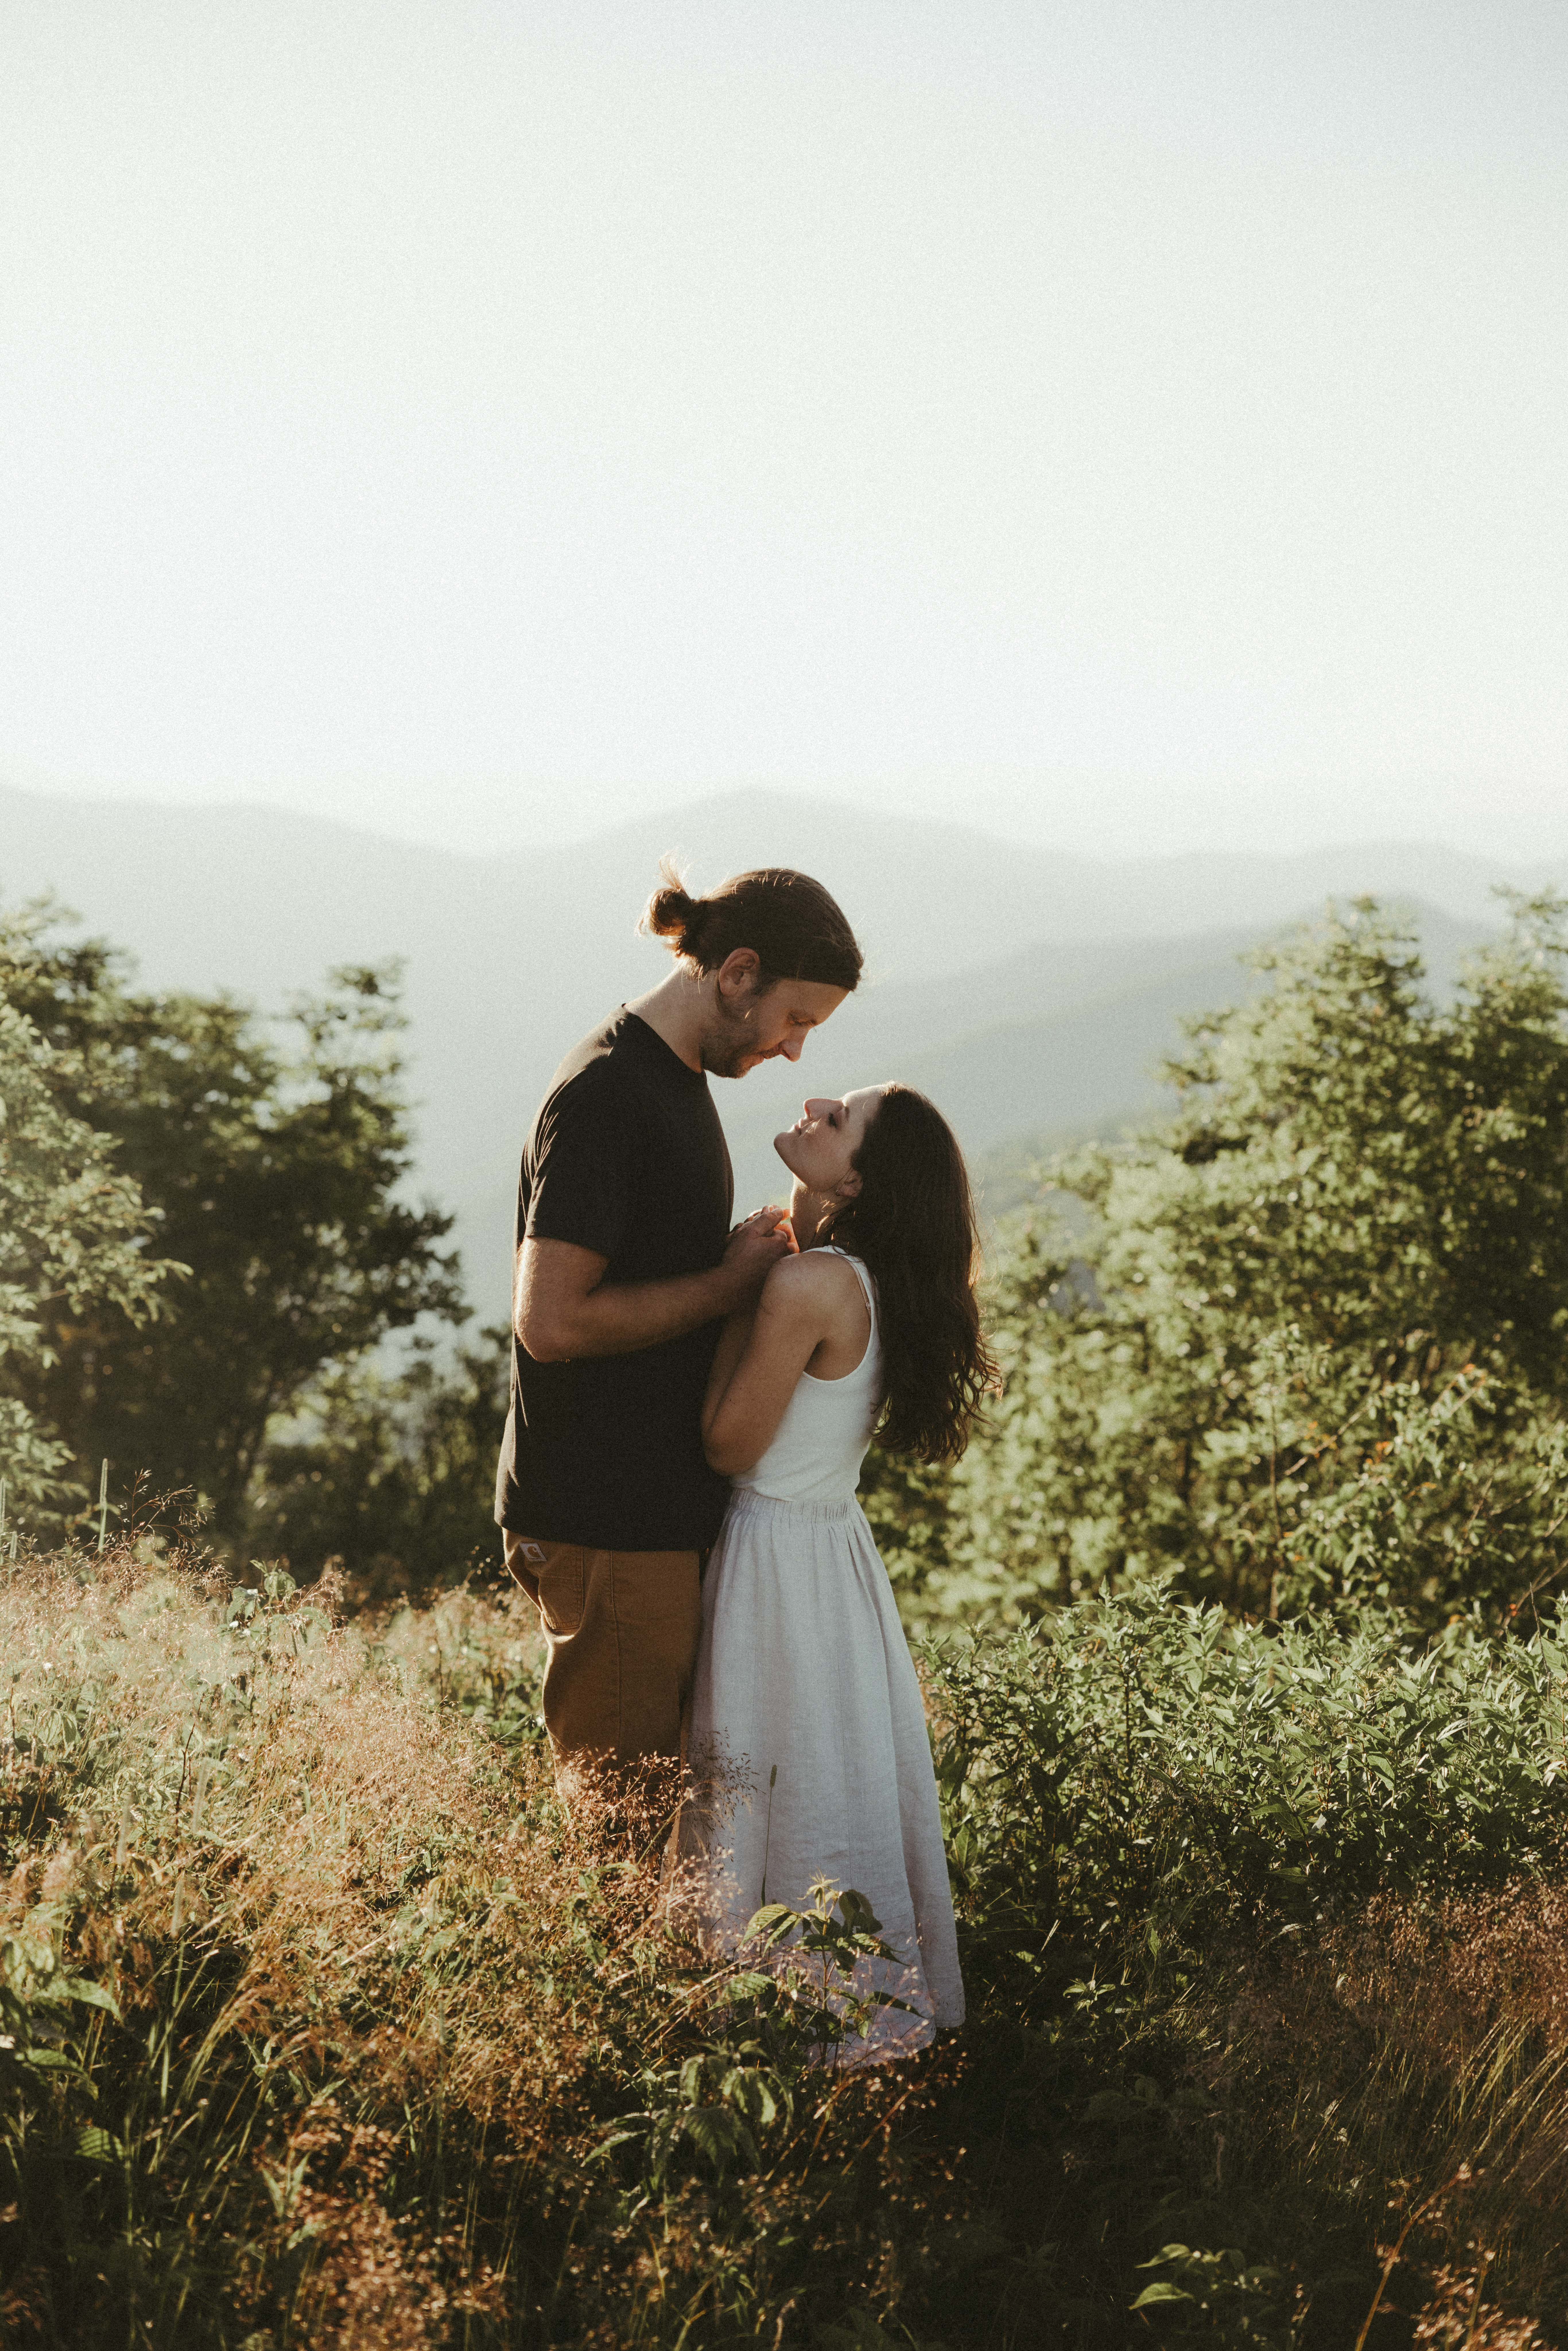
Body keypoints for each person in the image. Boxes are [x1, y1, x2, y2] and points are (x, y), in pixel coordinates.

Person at [496, 862, 863, 1806]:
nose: (793, 1051)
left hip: (645, 1515)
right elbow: (551, 1322)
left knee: (659, 1817)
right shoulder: (610, 1094)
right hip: (608, 1516)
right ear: (737, 972)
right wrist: (726, 1283)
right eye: (797, 1019)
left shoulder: (670, 1082)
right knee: (624, 1828)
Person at [678, 1083, 996, 2062]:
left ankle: (763, 2027)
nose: (816, 1100)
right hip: (833, 1558)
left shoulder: (808, 1283)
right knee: (825, 1771)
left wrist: (737, 1292)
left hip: (775, 1554)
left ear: (857, 1178)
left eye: (842, 1116)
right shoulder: (867, 1278)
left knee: (754, 1775)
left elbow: (730, 1443)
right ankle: (851, 2015)